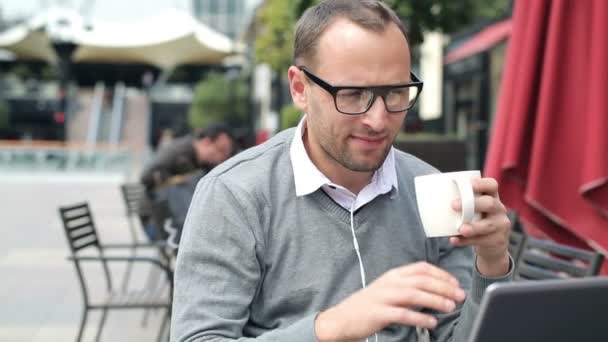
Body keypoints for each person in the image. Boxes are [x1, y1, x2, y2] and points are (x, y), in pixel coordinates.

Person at [171, 1, 512, 341]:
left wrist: (492, 265)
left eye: (395, 92)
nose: (378, 120)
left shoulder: (427, 188)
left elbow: (459, 337)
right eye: (351, 94)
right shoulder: (235, 194)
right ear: (300, 88)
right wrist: (330, 328)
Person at [139, 123, 235, 240]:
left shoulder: (205, 165)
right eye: (221, 150)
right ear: (206, 142)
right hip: (158, 225)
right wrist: (180, 180)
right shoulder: (177, 150)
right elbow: (146, 176)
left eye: (226, 154)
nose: (222, 158)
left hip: (180, 224)